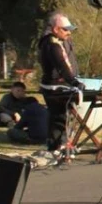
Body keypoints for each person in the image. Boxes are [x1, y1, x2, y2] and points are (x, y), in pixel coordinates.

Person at [37, 11, 83, 152]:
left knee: (60, 117)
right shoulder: (51, 44)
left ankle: (59, 145)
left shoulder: (58, 41)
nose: (69, 33)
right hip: (54, 87)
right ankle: (56, 147)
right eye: (65, 29)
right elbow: (62, 66)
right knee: (58, 117)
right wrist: (75, 83)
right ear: (56, 29)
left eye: (70, 30)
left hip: (60, 85)